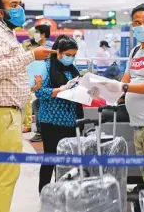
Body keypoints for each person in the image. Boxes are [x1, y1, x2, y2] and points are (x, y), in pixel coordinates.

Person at [0, 0, 55, 212]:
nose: (20, 9)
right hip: (1, 114)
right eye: (14, 5)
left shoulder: (4, 33)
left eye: (20, 3)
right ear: (1, 12)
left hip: (0, 113)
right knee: (5, 175)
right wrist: (31, 55)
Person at [90, 3, 144, 187]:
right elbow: (123, 84)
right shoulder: (135, 52)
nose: (142, 26)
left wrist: (124, 88)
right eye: (137, 23)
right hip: (138, 125)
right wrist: (99, 90)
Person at [35, 35, 83, 193]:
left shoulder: (71, 69)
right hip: (51, 120)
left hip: (70, 120)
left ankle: (61, 193)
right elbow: (39, 92)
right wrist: (60, 90)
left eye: (73, 55)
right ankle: (44, 193)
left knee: (65, 162)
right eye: (68, 55)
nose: (71, 58)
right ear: (58, 52)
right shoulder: (46, 67)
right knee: (50, 159)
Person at [21, 27, 39, 134]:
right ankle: (27, 124)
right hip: (28, 73)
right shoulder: (25, 44)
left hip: (40, 72)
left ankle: (39, 125)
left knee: (39, 99)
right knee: (27, 100)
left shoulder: (43, 44)